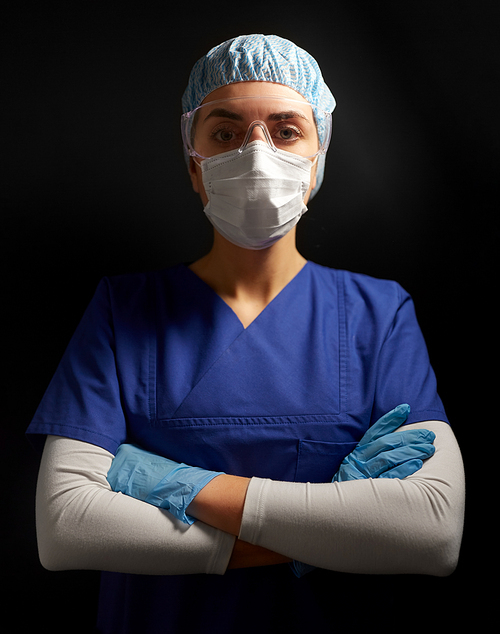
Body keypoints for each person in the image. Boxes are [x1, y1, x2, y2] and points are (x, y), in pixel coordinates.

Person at [27, 35, 465, 633]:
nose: (257, 155)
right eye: (226, 133)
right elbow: (67, 528)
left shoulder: (378, 313)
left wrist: (168, 483)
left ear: (319, 158)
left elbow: (432, 532)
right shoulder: (124, 310)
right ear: (193, 164)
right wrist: (332, 529)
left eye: (286, 131)